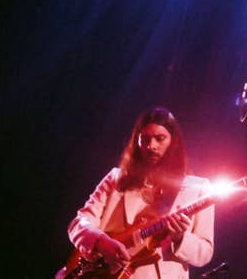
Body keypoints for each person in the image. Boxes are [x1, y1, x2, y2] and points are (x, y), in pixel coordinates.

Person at [58, 107, 214, 279]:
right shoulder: (116, 178)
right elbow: (78, 224)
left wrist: (180, 237)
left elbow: (205, 253)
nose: (151, 146)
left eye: (159, 138)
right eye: (145, 139)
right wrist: (101, 242)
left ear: (173, 141)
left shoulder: (198, 188)